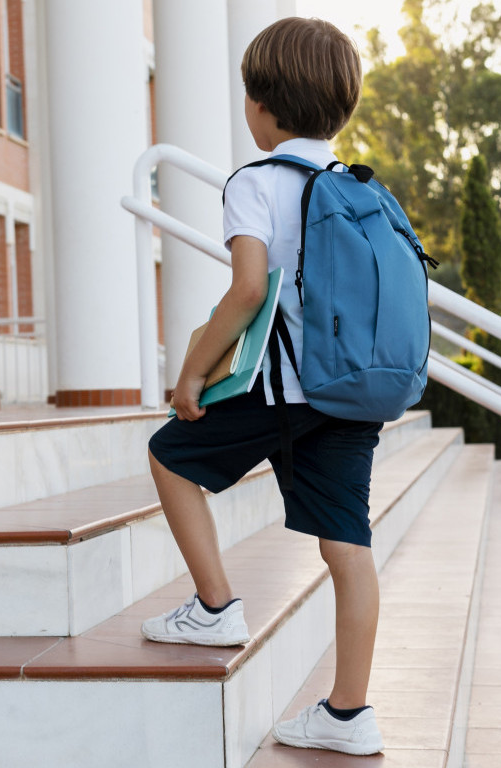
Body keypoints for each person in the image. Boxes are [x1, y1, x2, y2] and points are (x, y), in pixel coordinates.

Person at [138, 17, 386, 756]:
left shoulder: (258, 184)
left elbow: (247, 291)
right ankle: (349, 715)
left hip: (283, 390)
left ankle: (216, 607)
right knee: (348, 545)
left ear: (261, 105)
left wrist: (190, 374)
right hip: (351, 392)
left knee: (168, 456)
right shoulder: (358, 187)